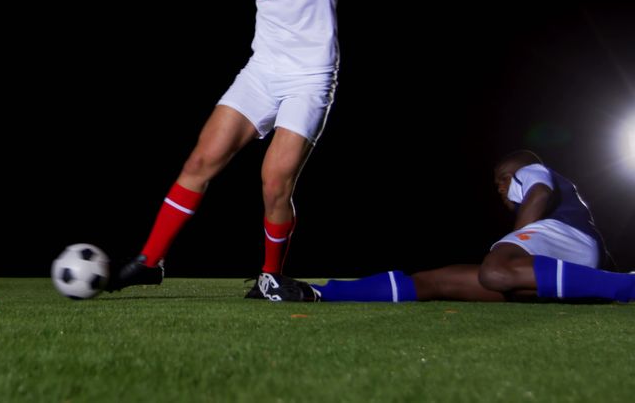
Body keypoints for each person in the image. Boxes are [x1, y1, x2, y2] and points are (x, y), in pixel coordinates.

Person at [106, 0, 365, 293]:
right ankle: (150, 261)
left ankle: (270, 275)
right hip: (262, 70)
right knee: (201, 159)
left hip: (309, 77)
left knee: (274, 180)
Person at [260, 150, 634, 303]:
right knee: (433, 282)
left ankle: (627, 285)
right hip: (570, 259)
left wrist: (507, 242)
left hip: (567, 237)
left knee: (496, 269)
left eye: (499, 182)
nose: (500, 189)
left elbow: (537, 193)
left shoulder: (528, 170)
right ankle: (322, 292)